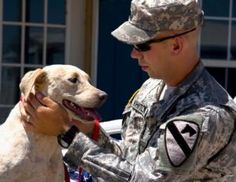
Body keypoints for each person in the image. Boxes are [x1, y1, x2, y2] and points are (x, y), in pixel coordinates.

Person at [20, 0, 236, 181]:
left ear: (176, 46)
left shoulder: (205, 115)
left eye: (142, 45)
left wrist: (66, 132)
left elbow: (140, 178)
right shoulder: (152, 87)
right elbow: (128, 159)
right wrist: (88, 131)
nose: (133, 54)